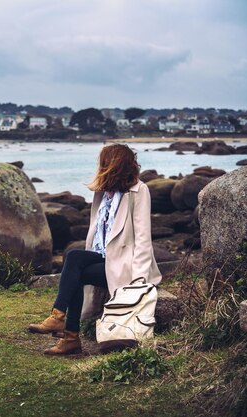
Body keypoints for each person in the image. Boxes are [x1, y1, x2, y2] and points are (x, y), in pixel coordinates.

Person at [28, 143, 162, 355]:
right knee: (74, 256)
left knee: (75, 271)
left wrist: (139, 280)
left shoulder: (139, 191)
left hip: (124, 264)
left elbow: (143, 238)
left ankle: (66, 331)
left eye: (103, 162)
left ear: (113, 164)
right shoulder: (103, 193)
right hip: (104, 258)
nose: (99, 166)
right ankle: (61, 323)